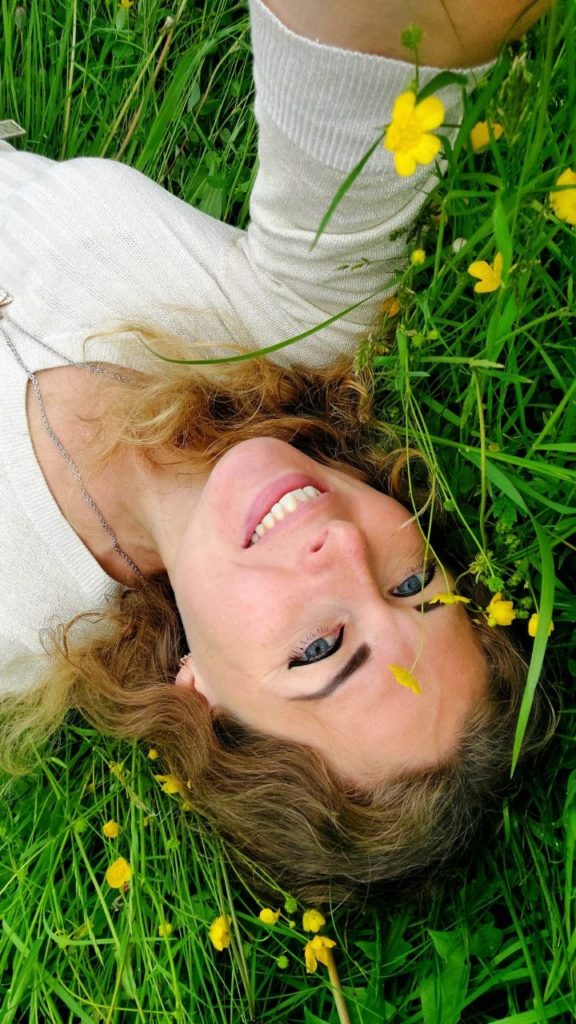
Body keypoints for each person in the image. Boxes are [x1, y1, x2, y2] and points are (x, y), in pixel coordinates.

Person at [0, 0, 554, 905]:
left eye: (322, 647)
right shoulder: (301, 329)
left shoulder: (11, 626)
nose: (345, 550)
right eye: (413, 584)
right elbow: (402, 21)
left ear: (203, 701)